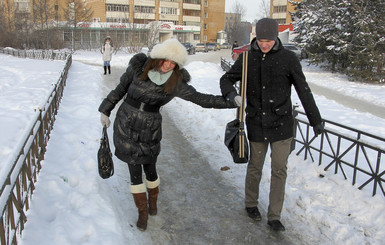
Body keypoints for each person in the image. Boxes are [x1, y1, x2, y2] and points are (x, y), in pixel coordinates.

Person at [98, 39, 236, 231]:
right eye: (167, 60)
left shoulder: (175, 81)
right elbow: (119, 90)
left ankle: (153, 202)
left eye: (174, 63)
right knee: (134, 170)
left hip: (150, 128)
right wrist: (105, 110)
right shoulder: (138, 68)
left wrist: (231, 102)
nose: (169, 65)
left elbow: (200, 99)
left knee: (150, 168)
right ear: (159, 57)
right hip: (126, 123)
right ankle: (143, 212)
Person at [220, 18, 323, 231]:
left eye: (269, 40)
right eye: (261, 39)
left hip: (282, 124)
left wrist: (315, 120)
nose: (264, 44)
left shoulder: (288, 59)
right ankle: (251, 204)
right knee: (255, 166)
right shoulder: (247, 57)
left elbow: (303, 90)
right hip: (257, 122)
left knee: (279, 170)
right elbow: (226, 79)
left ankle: (274, 216)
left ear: (276, 38)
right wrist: (232, 95)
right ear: (256, 37)